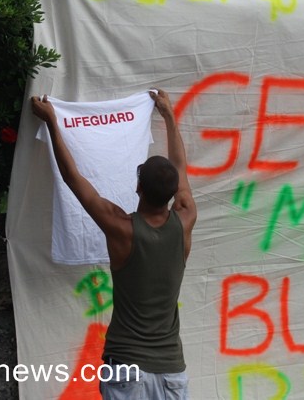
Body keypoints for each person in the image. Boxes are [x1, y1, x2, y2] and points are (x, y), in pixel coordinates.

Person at [31, 89, 197, 400]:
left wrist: (52, 120)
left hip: (126, 368)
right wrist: (169, 116)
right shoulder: (185, 220)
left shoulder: (122, 228)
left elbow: (73, 179)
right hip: (172, 373)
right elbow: (181, 169)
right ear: (174, 193)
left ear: (138, 187)